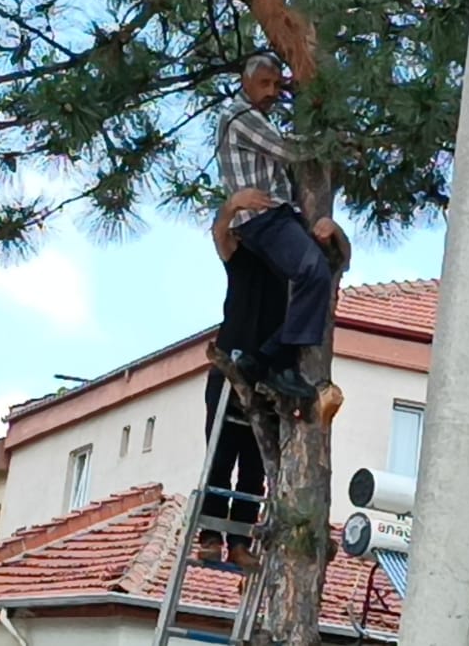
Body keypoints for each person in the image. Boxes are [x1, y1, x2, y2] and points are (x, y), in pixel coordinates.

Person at [215, 53, 338, 401]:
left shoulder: (253, 117)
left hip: (272, 216)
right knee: (313, 270)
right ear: (245, 82)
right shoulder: (239, 116)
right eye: (264, 83)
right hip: (264, 217)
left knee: (306, 281)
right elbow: (286, 149)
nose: (272, 92)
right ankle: (276, 361)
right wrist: (333, 138)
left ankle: (265, 360)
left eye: (277, 85)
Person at [197, 187, 283, 569]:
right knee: (220, 456)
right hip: (229, 367)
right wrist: (233, 205)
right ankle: (210, 536)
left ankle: (239, 541)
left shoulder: (291, 267)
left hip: (269, 373)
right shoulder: (241, 255)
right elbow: (220, 234)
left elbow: (335, 261)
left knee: (254, 465)